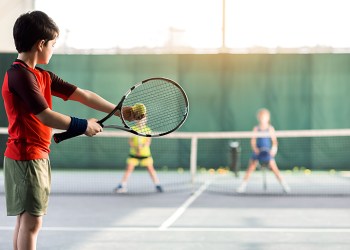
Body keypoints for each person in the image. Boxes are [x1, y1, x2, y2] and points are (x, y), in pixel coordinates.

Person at [2, 11, 139, 250]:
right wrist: (83, 125)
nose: (53, 49)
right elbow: (45, 115)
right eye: (53, 44)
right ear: (41, 43)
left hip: (33, 156)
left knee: (26, 221)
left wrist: (120, 111)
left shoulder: (41, 75)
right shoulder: (19, 75)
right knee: (31, 223)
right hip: (27, 157)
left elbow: (83, 95)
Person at [236, 108, 290, 193]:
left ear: (268, 118)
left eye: (264, 117)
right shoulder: (256, 128)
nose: (262, 119)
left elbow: (274, 142)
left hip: (267, 153)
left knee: (274, 168)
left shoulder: (270, 128)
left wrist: (273, 149)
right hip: (257, 152)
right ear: (259, 118)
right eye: (261, 117)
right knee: (250, 168)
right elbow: (253, 140)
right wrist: (255, 149)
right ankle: (243, 186)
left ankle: (284, 185)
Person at [114, 118, 163, 193]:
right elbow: (130, 141)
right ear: (136, 120)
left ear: (145, 121)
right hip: (134, 154)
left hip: (145, 154)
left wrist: (142, 147)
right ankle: (122, 185)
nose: (140, 121)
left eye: (143, 120)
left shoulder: (148, 129)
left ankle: (157, 184)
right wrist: (136, 148)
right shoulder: (132, 129)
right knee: (129, 169)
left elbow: (148, 142)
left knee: (150, 169)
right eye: (139, 119)